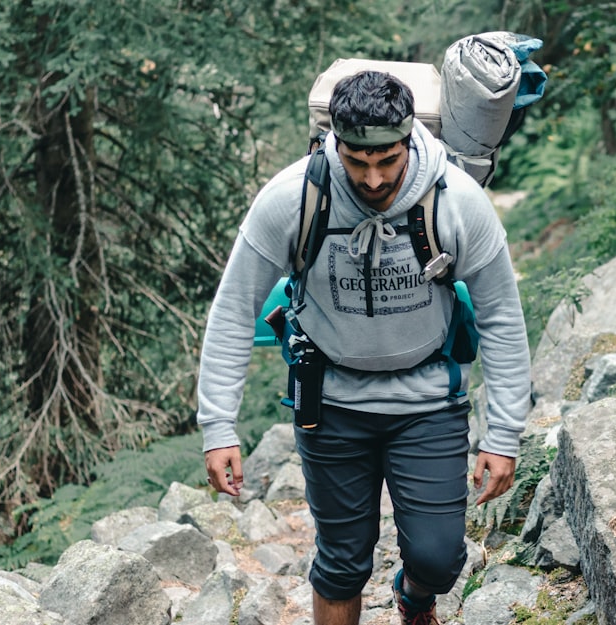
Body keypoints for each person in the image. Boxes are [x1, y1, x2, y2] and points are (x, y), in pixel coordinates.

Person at [198, 70, 531, 625]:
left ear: (408, 141)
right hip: (330, 403)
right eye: (357, 162)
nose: (373, 179)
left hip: (428, 401)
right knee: (342, 565)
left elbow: (501, 315)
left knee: (440, 556)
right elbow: (233, 309)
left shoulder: (457, 202)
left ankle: (414, 595)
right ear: (334, 142)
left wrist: (503, 434)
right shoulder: (291, 199)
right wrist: (218, 427)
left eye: (387, 162)